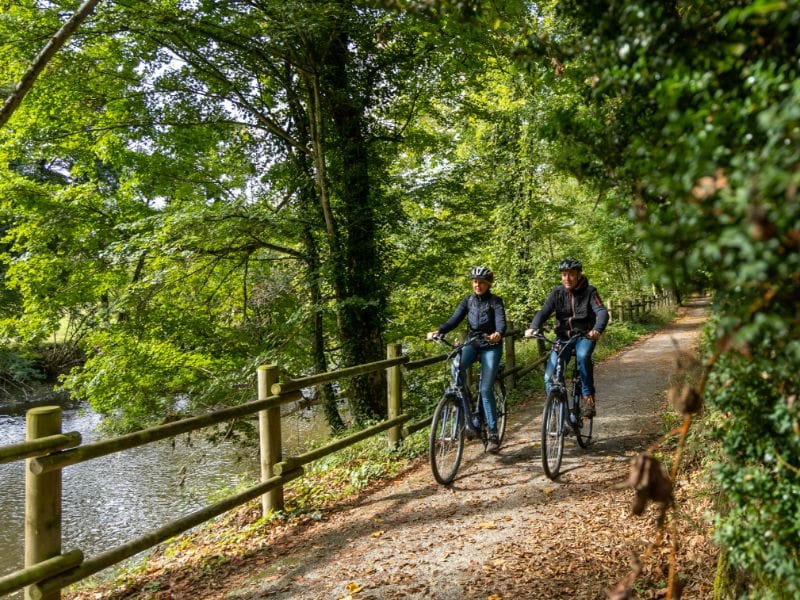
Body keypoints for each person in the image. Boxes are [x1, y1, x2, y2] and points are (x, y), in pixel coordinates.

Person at [427, 266, 507, 453]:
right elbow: (453, 320)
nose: (477, 285)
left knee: (486, 389)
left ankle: (493, 433)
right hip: (473, 342)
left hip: (491, 345)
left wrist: (498, 333)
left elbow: (501, 321)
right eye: (475, 281)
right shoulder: (468, 301)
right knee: (456, 366)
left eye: (481, 282)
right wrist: (439, 331)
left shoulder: (495, 302)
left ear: (488, 284)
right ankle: (465, 402)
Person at [525, 258, 609, 417]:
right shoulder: (557, 293)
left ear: (578, 275)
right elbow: (544, 311)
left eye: (571, 274)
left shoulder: (590, 291)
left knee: (583, 356)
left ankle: (588, 398)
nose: (567, 278)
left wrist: (597, 329)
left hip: (584, 336)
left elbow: (601, 311)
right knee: (550, 376)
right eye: (564, 274)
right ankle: (557, 411)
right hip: (562, 338)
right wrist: (533, 327)